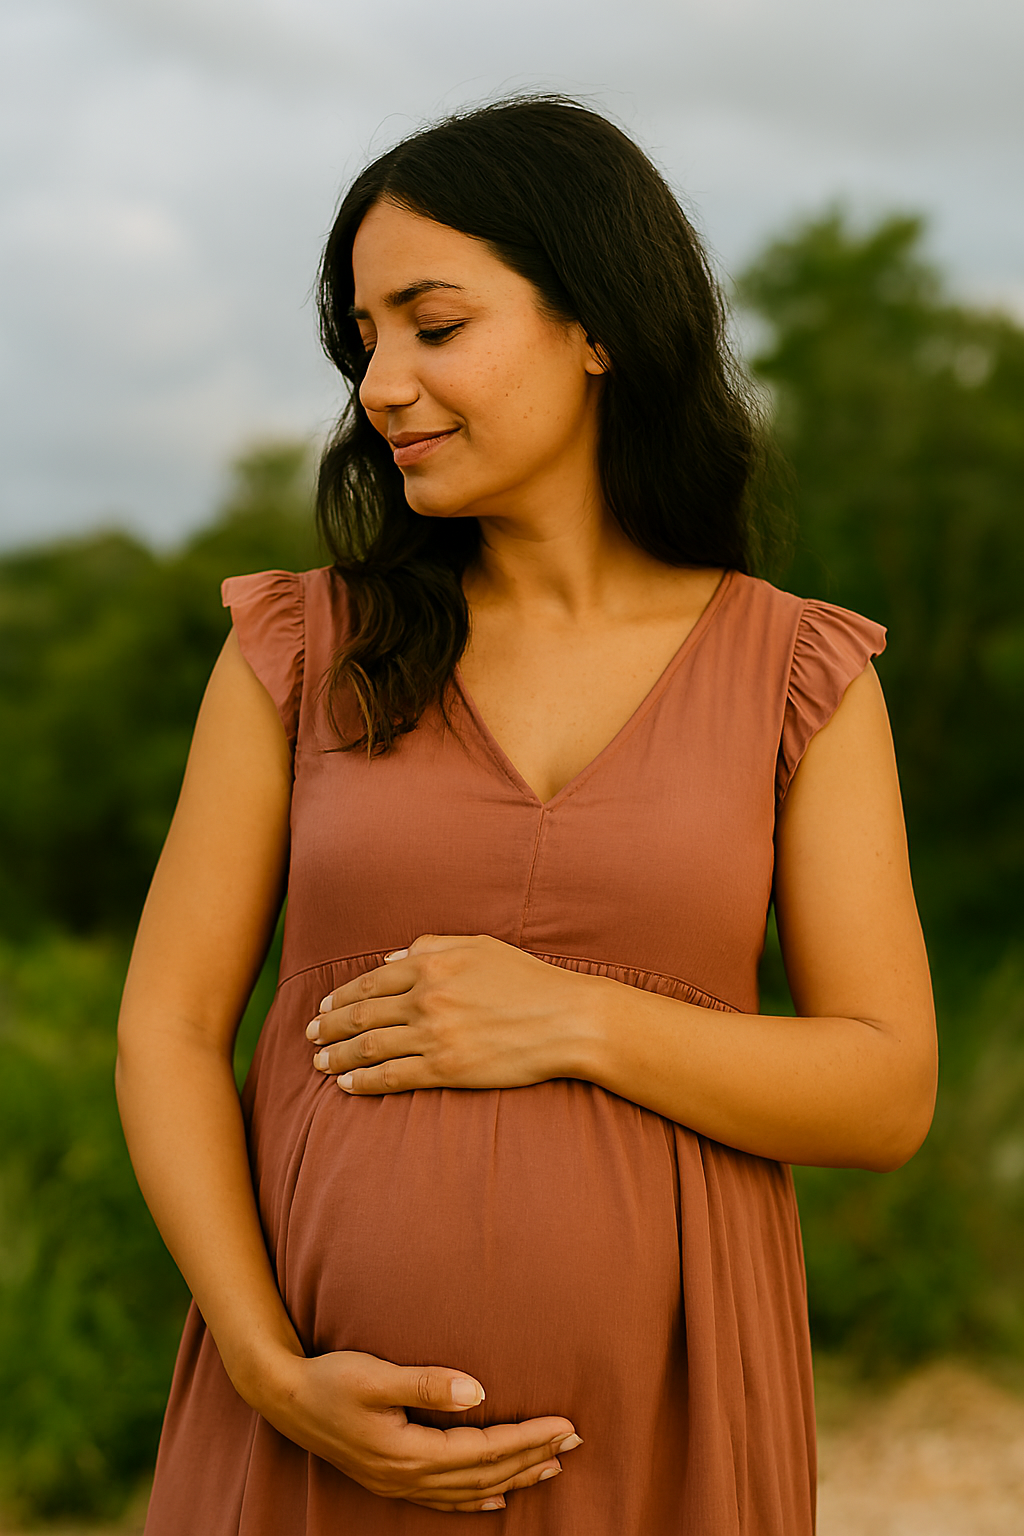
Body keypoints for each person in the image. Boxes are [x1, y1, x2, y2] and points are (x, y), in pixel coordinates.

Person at [117, 96, 937, 1534]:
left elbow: (887, 1088)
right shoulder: (305, 652)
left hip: (674, 1444)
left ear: (596, 325)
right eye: (362, 341)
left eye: (434, 327)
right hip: (310, 1445)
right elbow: (168, 1030)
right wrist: (268, 1366)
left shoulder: (797, 673)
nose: (382, 383)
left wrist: (575, 1018)